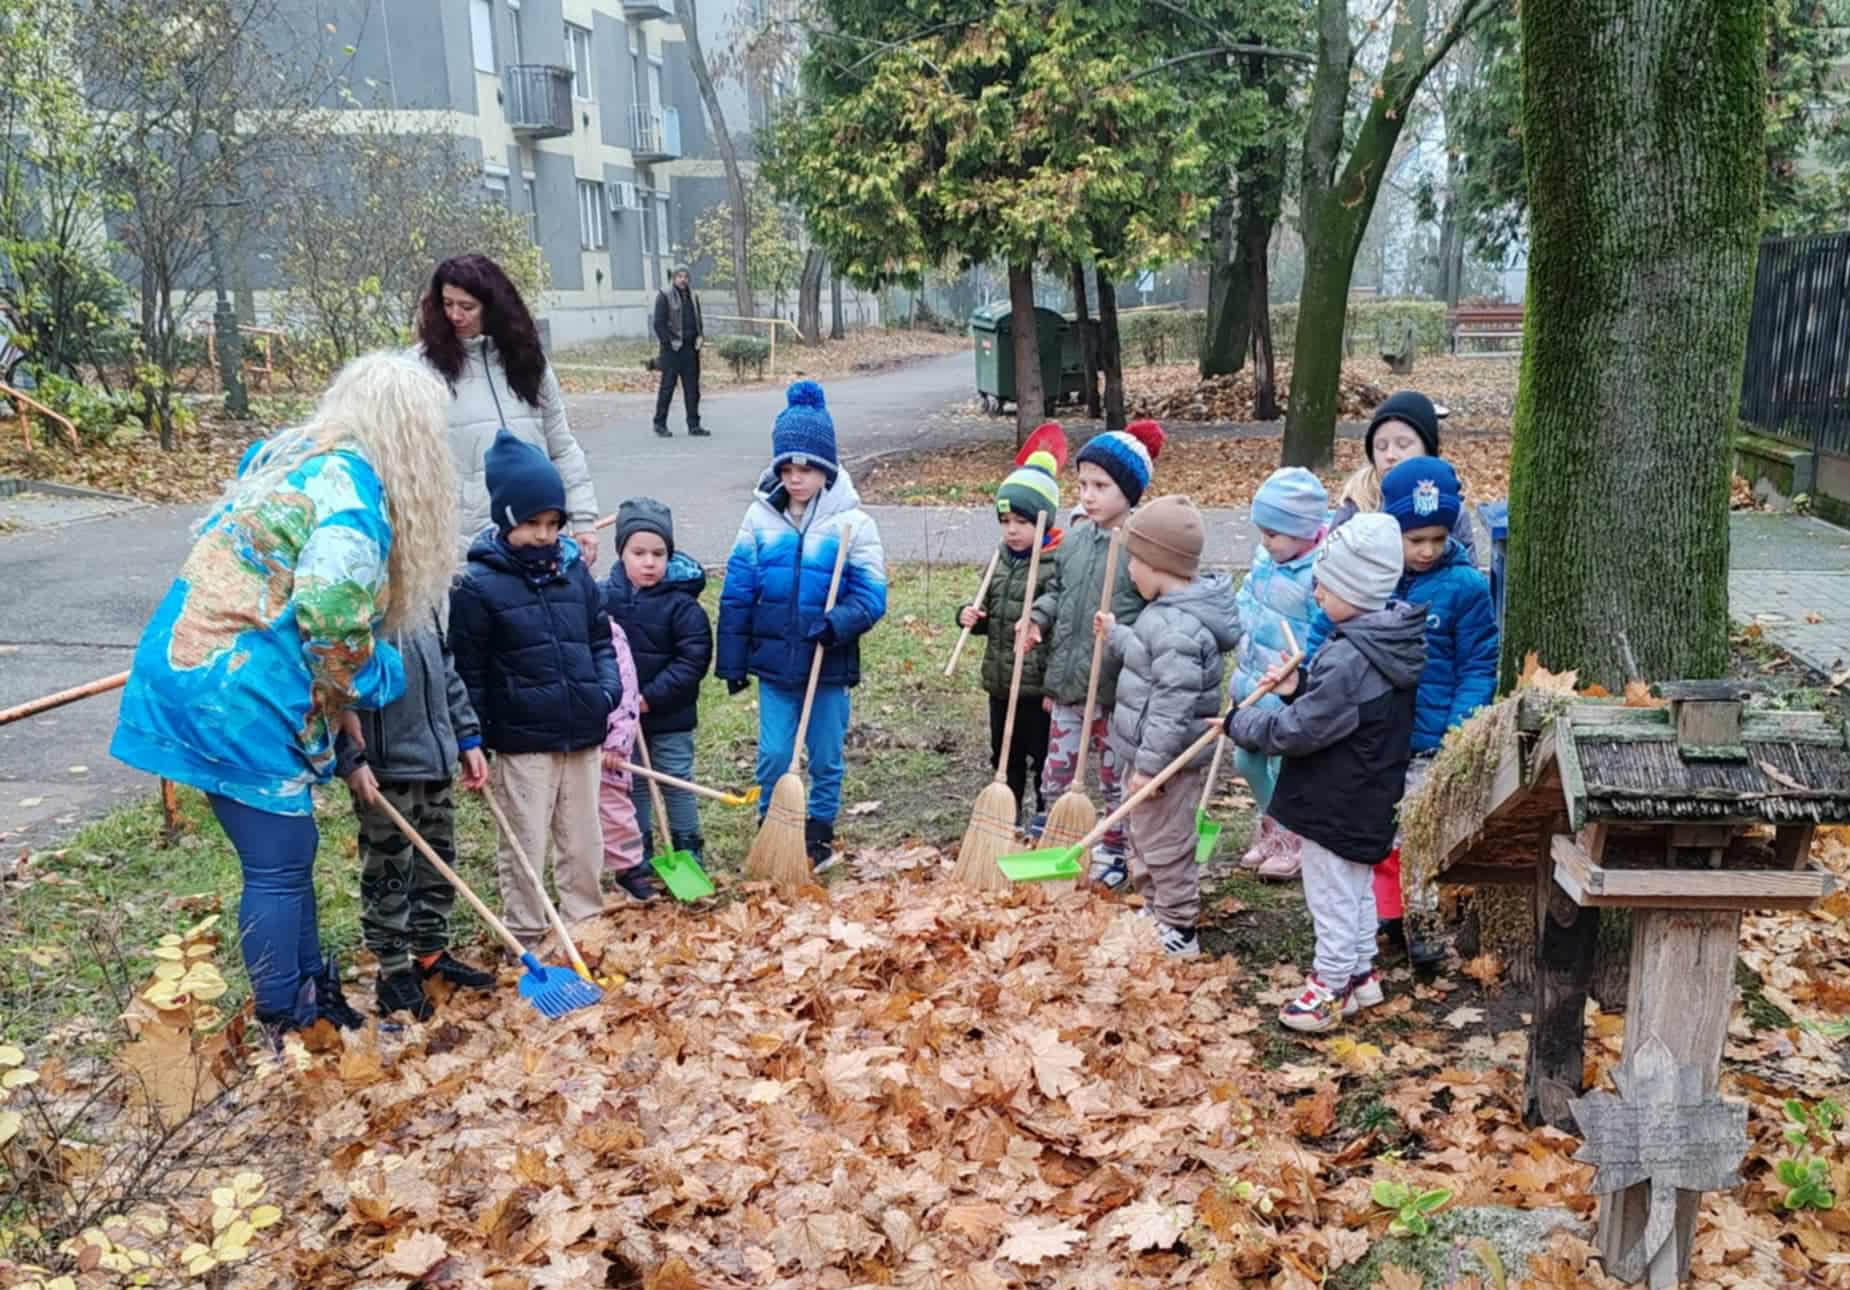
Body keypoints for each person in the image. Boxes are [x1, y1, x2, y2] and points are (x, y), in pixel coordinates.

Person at [110, 353, 458, 1041]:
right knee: (276, 862)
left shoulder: (297, 463)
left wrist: (340, 713)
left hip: (202, 671)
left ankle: (310, 994)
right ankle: (285, 1019)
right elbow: (330, 621)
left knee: (289, 851)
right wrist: (378, 679)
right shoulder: (352, 500)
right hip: (236, 693)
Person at [1224, 515, 1426, 1032]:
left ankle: (1329, 987)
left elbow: (1300, 731)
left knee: (1332, 896)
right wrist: (1300, 686)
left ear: (1355, 591)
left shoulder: (1349, 657)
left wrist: (1242, 723)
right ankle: (1362, 974)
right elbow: (1344, 711)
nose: (1316, 594)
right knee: (1355, 888)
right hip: (1369, 796)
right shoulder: (1387, 643)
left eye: (1326, 587)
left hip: (1335, 801)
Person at [450, 430, 620, 948]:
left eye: (552, 523)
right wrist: (472, 738)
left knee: (583, 837)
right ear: (505, 519)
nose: (544, 535)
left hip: (582, 729)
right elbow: (469, 671)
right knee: (525, 839)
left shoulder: (575, 575)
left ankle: (584, 923)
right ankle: (525, 931)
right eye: (531, 524)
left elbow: (600, 641)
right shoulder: (477, 586)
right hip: (523, 741)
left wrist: (605, 693)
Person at [716, 381, 887, 871]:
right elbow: (738, 591)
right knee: (774, 754)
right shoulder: (759, 519)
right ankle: (772, 827)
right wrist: (733, 661)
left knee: (826, 755)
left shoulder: (853, 524)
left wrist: (836, 624)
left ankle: (819, 830)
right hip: (775, 663)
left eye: (806, 469)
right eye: (787, 469)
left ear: (826, 468)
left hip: (827, 662)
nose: (795, 478)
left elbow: (871, 596)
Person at [1022, 421, 1164, 891]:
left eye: (1101, 486)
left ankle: (1115, 847)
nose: (1087, 495)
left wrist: (1122, 633)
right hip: (1068, 683)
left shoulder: (1141, 546)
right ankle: (1061, 836)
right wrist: (1038, 618)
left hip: (1115, 687)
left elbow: (1157, 613)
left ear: (1129, 491)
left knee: (1112, 775)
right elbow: (1058, 591)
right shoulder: (1076, 540)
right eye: (1082, 484)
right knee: (1057, 769)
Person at [335, 610, 496, 1021]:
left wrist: (466, 736)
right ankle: (392, 972)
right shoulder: (356, 607)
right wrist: (350, 758)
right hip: (384, 769)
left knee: (437, 863)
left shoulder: (422, 605)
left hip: (434, 758)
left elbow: (447, 673)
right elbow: (331, 689)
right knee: (389, 870)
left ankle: (431, 954)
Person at [1096, 496, 1238, 958]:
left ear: (1159, 564)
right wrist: (1117, 635)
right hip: (1147, 754)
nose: (1129, 569)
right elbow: (1146, 656)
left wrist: (1151, 768)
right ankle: (1157, 909)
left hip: (1166, 762)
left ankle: (1179, 927)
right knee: (1143, 836)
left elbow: (1172, 706)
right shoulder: (1164, 615)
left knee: (1166, 843)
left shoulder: (1179, 628)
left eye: (1134, 560)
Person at [1377, 457, 1499, 965]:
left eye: (1437, 538)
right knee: (1378, 829)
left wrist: (1458, 730)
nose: (1427, 550)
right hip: (1378, 734)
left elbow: (1477, 665)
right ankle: (1385, 914)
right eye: (1415, 540)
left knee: (1418, 833)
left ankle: (1423, 922)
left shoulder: (1465, 587)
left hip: (1429, 740)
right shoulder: (1375, 578)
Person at [416, 254, 601, 566]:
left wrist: (583, 519)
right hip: (465, 544)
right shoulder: (420, 370)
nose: (455, 315)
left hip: (536, 536)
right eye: (447, 304)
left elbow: (561, 447)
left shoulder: (529, 362)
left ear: (493, 307)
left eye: (467, 306)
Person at [604, 497, 714, 893]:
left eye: (658, 553)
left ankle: (688, 849)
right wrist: (621, 704)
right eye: (639, 553)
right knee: (633, 784)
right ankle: (640, 854)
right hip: (623, 722)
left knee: (675, 780)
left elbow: (692, 661)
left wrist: (648, 698)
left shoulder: (683, 606)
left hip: (670, 715)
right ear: (622, 553)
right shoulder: (604, 600)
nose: (649, 562)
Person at [954, 448, 1062, 822]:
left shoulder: (1055, 565)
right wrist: (970, 616)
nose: (1012, 530)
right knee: (1004, 754)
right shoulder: (1000, 561)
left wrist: (1053, 685)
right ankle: (1007, 814)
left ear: (1044, 521)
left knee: (1043, 756)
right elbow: (988, 609)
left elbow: (1059, 623)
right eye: (1005, 521)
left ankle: (1044, 815)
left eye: (1022, 521)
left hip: (1036, 686)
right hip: (1000, 683)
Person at [1231, 468, 1328, 880]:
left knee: (1286, 769)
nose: (1266, 542)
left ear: (1305, 531)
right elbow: (1246, 600)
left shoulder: (1319, 573)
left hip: (1290, 689)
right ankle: (1275, 825)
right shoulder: (1264, 560)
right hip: (1254, 682)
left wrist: (1303, 678)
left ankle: (1294, 836)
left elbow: (1324, 635)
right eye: (1262, 533)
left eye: (1274, 534)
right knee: (1246, 761)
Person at [1332, 390, 1476, 562]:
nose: (1390, 455)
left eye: (1403, 444)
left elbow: (1467, 568)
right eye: (1381, 446)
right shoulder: (1358, 503)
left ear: (1428, 451)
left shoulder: (1449, 504)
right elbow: (1327, 566)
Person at [598, 617, 648, 894]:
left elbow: (627, 691)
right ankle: (585, 876)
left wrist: (617, 742)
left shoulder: (610, 632)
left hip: (608, 744)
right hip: (565, 740)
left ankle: (629, 868)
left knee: (617, 812)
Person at [652, 264, 708, 438]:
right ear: (674, 278)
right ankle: (660, 423)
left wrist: (700, 336)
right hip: (672, 350)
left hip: (691, 349)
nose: (683, 280)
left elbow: (697, 319)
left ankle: (694, 425)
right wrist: (668, 343)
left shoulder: (693, 295)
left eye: (685, 277)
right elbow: (659, 323)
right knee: (667, 388)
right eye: (679, 276)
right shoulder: (664, 295)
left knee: (692, 389)